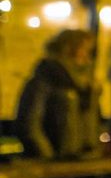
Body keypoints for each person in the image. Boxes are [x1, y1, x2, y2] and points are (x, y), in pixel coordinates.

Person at [16, 29, 100, 159]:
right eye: (84, 49)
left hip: (84, 162)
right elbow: (29, 124)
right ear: (68, 49)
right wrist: (47, 157)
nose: (86, 55)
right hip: (57, 165)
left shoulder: (86, 85)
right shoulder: (45, 79)